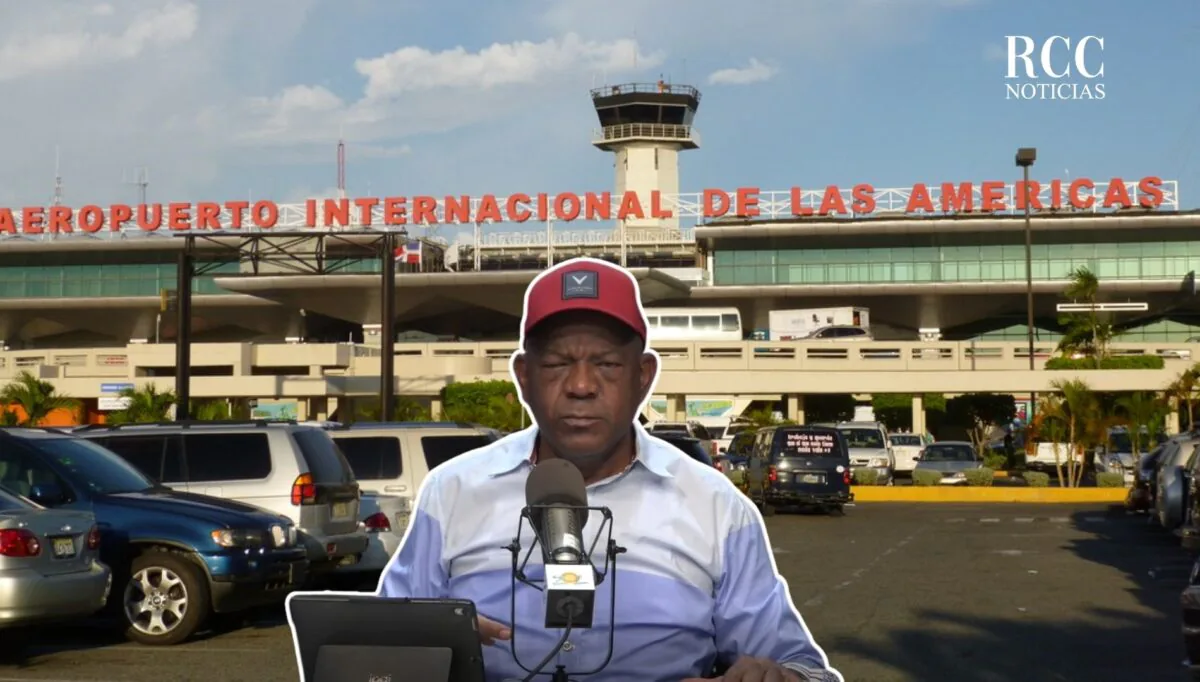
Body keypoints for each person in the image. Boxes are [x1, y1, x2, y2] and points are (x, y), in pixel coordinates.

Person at [377, 257, 842, 682]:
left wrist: (779, 677)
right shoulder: (453, 491)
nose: (581, 386)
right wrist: (430, 638)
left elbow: (801, 665)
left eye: (607, 364)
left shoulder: (716, 505)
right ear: (524, 377)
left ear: (643, 377)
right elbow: (376, 640)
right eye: (557, 363)